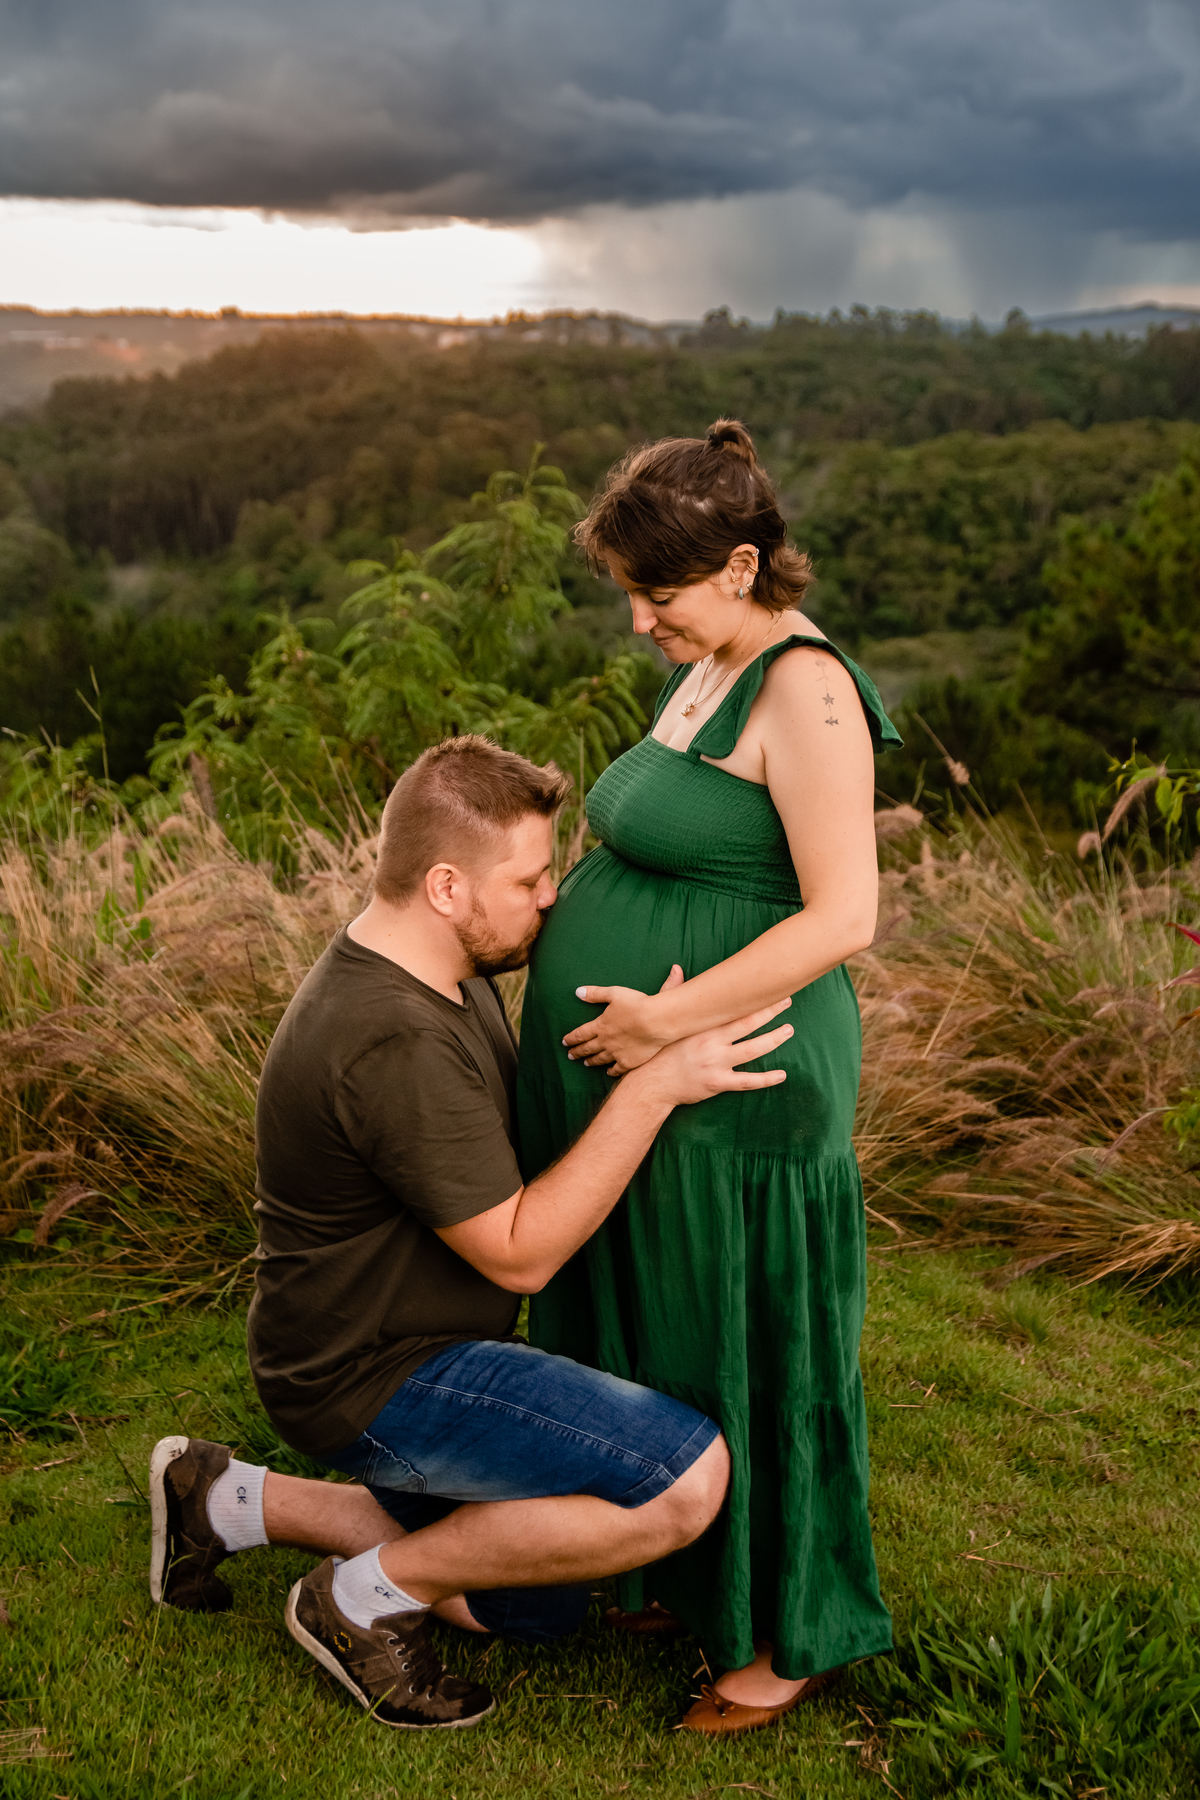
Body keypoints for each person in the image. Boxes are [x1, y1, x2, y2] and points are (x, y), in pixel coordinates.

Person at [148, 734, 795, 1732]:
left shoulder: (439, 968)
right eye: (532, 879)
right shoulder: (392, 1037)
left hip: (406, 1343)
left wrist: (659, 1022)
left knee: (522, 1602)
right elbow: (522, 1250)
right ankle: (354, 1604)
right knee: (682, 1484)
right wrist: (660, 1087)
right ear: (448, 887)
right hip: (373, 1372)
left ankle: (223, 1501)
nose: (549, 899)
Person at [515, 419, 898, 1736]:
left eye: (656, 595)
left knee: (755, 1334)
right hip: (666, 1072)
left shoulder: (810, 691)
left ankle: (784, 1636)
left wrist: (666, 1025)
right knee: (669, 1322)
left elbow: (844, 917)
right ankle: (675, 1560)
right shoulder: (709, 662)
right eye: (629, 592)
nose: (637, 624)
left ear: (740, 567)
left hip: (743, 1079)